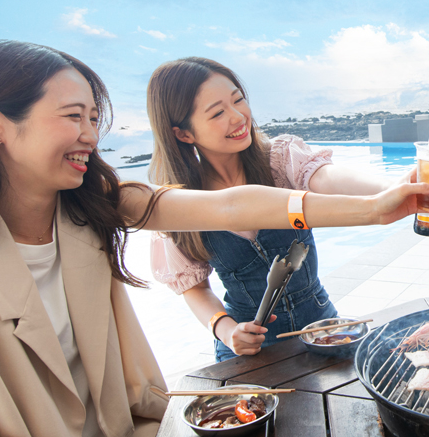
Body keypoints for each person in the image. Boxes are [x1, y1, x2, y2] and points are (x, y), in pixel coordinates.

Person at [0, 40, 429, 437]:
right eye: (73, 117)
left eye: (94, 118)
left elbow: (227, 207)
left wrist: (377, 208)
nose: (91, 136)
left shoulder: (88, 205)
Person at [146, 57, 408, 361]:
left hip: (322, 330)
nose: (238, 117)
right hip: (248, 349)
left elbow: (324, 176)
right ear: (183, 133)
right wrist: (226, 330)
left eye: (238, 100)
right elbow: (193, 288)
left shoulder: (280, 160)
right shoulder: (179, 204)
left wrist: (392, 188)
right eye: (218, 112)